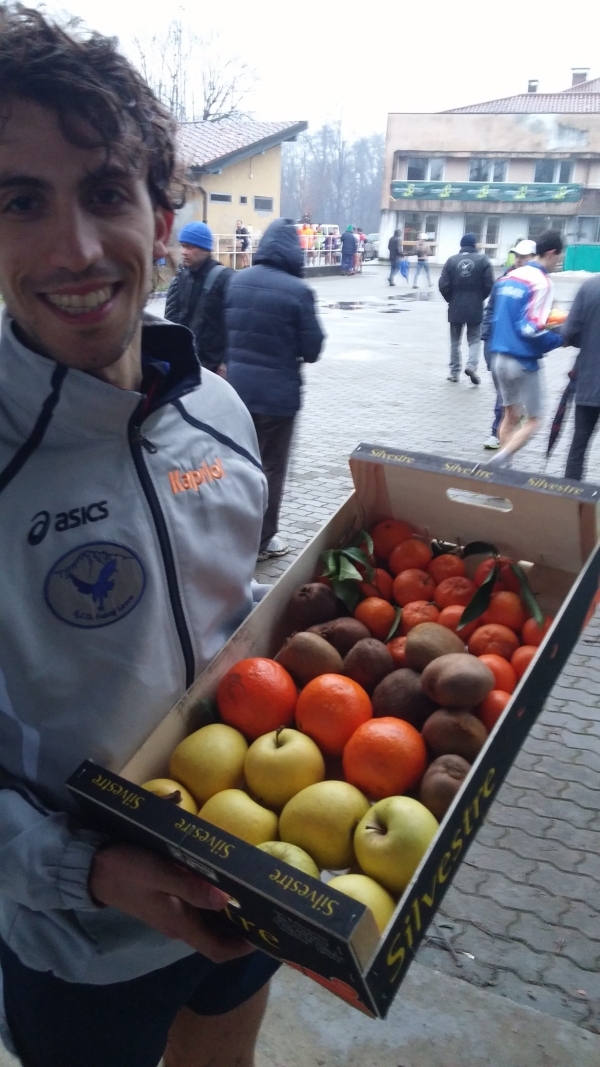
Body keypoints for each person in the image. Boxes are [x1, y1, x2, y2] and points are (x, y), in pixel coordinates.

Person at [0, 7, 279, 1067]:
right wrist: (91, 871)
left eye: (107, 192)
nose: (75, 248)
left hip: (251, 875)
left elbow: (228, 619)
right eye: (22, 201)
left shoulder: (218, 409)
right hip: (75, 937)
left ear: (162, 217)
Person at [225, 218, 325, 560]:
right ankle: (264, 540)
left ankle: (232, 533)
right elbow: (312, 349)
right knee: (271, 468)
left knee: (239, 464)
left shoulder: (237, 282)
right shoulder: (298, 291)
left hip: (236, 393)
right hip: (278, 398)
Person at [486, 231, 564, 468]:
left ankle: (504, 475)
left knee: (510, 417)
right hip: (523, 361)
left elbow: (494, 317)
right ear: (550, 253)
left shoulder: (508, 278)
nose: (559, 262)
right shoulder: (543, 283)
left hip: (498, 357)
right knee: (534, 420)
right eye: (559, 257)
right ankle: (500, 459)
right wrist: (562, 338)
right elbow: (531, 329)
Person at [481, 239, 536, 448]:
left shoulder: (537, 283)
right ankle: (500, 430)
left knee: (509, 395)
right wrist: (487, 340)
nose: (520, 260)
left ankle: (503, 428)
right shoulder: (504, 280)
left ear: (534, 257)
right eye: (518, 256)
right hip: (499, 347)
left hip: (523, 350)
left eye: (525, 256)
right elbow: (490, 311)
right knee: (504, 394)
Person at [165, 222, 231, 376]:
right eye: (182, 246)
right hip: (186, 363)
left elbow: (234, 325)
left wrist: (226, 362)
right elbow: (171, 321)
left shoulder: (224, 279)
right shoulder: (180, 278)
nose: (184, 252)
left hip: (214, 367)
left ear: (205, 250)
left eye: (190, 247)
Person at [438, 233, 494, 384]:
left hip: (455, 305)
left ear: (461, 245)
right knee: (475, 339)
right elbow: (489, 284)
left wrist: (451, 298)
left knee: (455, 341)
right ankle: (472, 366)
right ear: (475, 244)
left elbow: (443, 284)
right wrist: (479, 297)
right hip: (475, 306)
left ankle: (454, 373)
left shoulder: (451, 260)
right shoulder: (483, 260)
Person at [563, 274, 600, 480]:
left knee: (579, 444)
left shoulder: (590, 287)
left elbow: (570, 331)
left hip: (591, 378)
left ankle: (571, 499)